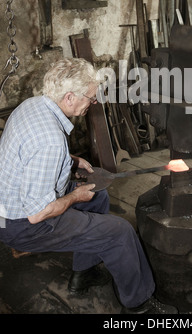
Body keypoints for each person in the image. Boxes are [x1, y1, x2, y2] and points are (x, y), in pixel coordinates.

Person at [0, 57, 177, 314]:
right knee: (120, 233)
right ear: (70, 97)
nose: (93, 102)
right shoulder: (50, 139)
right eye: (91, 97)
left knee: (98, 197)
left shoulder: (32, 105)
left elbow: (28, 151)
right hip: (21, 226)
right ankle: (139, 305)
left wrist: (70, 160)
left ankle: (82, 274)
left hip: (11, 203)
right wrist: (73, 197)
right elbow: (38, 213)